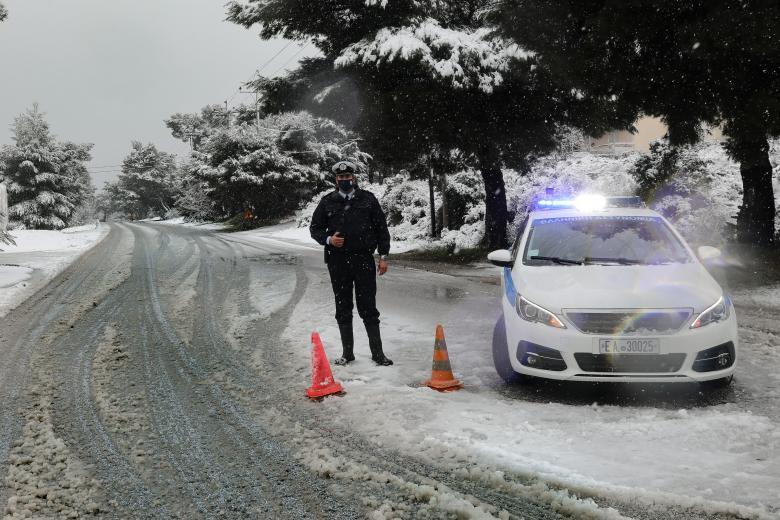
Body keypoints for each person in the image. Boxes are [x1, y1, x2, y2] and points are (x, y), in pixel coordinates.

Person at [310, 161, 393, 366]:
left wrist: (383, 256)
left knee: (369, 308)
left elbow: (381, 228)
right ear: (336, 180)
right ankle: (348, 354)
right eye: (340, 178)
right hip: (338, 262)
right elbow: (315, 228)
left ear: (354, 178)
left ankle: (378, 354)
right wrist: (329, 240)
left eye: (348, 177)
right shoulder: (327, 202)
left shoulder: (368, 199)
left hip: (363, 259)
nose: (344, 180)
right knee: (343, 306)